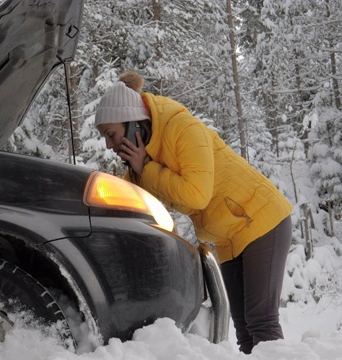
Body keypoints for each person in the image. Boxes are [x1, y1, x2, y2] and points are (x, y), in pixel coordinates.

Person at [94, 70, 293, 354]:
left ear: (133, 124)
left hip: (261, 219)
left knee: (261, 323)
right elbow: (130, 199)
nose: (109, 145)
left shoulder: (183, 129)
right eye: (105, 137)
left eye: (110, 134)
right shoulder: (146, 158)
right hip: (229, 237)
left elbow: (197, 195)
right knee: (245, 330)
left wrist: (146, 168)